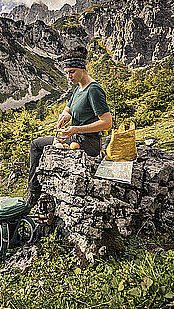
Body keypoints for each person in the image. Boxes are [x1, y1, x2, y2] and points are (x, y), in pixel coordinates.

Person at [28, 46, 112, 206]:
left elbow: (107, 122)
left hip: (88, 142)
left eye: (72, 71)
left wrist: (77, 128)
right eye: (67, 72)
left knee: (36, 145)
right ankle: (35, 190)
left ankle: (34, 193)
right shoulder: (79, 89)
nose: (69, 76)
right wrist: (65, 116)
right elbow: (69, 109)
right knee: (37, 144)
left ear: (82, 68)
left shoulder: (93, 90)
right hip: (75, 136)